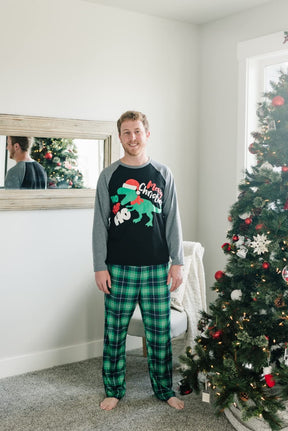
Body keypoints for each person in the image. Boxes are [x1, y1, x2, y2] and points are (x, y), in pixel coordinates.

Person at [92, 110, 184, 411]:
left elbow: (173, 221)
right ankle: (114, 389)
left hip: (157, 268)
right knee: (114, 333)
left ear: (147, 134)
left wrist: (177, 261)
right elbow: (99, 225)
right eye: (127, 132)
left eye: (138, 131)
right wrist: (100, 266)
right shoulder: (109, 175)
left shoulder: (162, 174)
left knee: (160, 334)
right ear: (120, 137)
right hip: (118, 268)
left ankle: (163, 389)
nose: (133, 137)